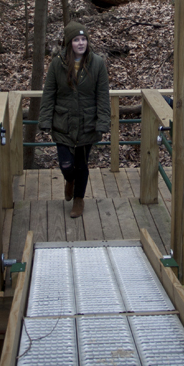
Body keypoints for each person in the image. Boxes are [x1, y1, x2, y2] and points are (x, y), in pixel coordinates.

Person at [39, 21, 111, 218]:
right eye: (77, 40)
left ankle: (78, 200)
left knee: (82, 164)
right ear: (69, 42)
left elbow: (102, 95)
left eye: (84, 39)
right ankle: (69, 180)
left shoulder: (97, 63)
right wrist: (45, 119)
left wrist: (103, 122)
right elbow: (49, 93)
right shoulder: (57, 64)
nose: (81, 43)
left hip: (87, 123)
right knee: (66, 165)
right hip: (63, 122)